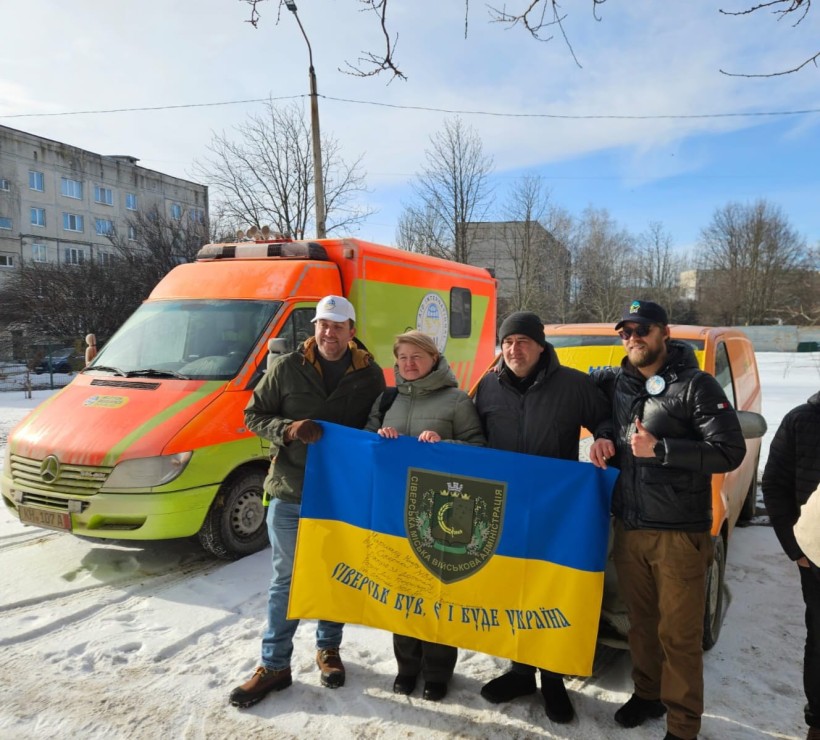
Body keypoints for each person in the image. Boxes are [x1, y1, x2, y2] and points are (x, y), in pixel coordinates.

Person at [589, 299, 746, 740]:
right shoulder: (617, 383)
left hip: (677, 533)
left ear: (663, 333)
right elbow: (595, 408)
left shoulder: (697, 386)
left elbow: (730, 451)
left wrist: (663, 450)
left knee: (678, 636)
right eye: (625, 332)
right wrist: (603, 435)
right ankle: (647, 694)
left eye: (641, 329)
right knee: (640, 624)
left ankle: (682, 725)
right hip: (630, 527)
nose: (632, 338)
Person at [229, 295, 385, 708]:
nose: (328, 333)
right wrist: (289, 428)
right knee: (287, 580)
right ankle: (275, 664)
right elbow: (252, 415)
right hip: (292, 491)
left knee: (334, 573)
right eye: (322, 324)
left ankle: (328, 648)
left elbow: (380, 426)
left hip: (340, 496)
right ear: (314, 327)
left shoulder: (370, 376)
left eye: (336, 326)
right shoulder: (285, 368)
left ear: (352, 331)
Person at [473, 311, 611, 724]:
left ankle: (552, 679)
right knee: (511, 590)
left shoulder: (573, 384)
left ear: (540, 345)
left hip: (555, 509)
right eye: (508, 342)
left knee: (549, 593)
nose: (515, 350)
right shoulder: (486, 385)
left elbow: (604, 418)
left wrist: (603, 435)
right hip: (504, 507)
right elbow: (469, 432)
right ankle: (519, 673)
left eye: (523, 342)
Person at [364, 329, 485, 702]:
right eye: (402, 358)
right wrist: (380, 439)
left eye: (417, 357)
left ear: (434, 358)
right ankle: (407, 667)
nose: (408, 364)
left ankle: (437, 671)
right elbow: (364, 444)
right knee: (403, 590)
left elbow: (480, 449)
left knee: (437, 592)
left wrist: (445, 446)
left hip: (443, 513)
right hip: (395, 510)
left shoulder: (457, 400)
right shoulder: (388, 398)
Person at [762, 391, 820, 740]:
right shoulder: (802, 419)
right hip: (816, 559)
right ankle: (818, 721)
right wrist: (794, 546)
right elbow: (774, 484)